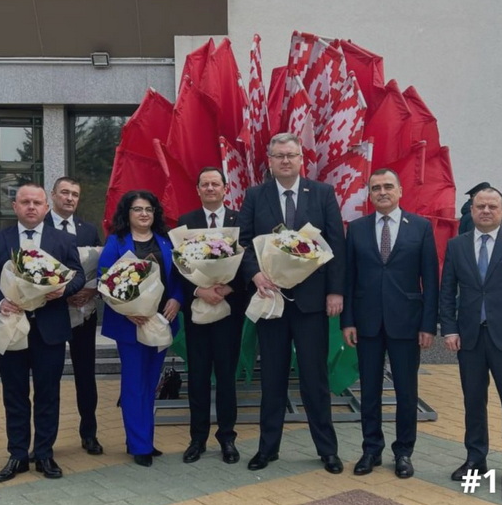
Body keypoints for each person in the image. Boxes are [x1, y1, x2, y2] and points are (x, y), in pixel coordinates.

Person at [237, 132, 346, 474]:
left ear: (302, 159)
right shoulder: (256, 196)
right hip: (271, 301)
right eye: (279, 155)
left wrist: (335, 291)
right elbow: (242, 243)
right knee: (272, 378)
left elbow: (336, 246)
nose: (286, 160)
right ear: (269, 161)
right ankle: (267, 449)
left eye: (292, 155)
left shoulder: (323, 194)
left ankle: (327, 450)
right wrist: (254, 276)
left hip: (312, 304)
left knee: (315, 379)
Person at [0, 183, 85, 483]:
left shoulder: (62, 239)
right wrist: (0, 301)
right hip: (11, 326)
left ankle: (45, 454)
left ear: (46, 207)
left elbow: (79, 274)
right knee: (14, 394)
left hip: (49, 328)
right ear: (15, 206)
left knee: (48, 393)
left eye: (37, 202)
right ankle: (18, 455)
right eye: (25, 202)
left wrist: (63, 289)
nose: (31, 207)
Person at [440, 187, 502, 487]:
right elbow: (447, 291)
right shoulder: (457, 246)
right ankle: (476, 460)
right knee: (473, 401)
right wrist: (449, 328)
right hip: (470, 339)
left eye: (492, 206)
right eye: (480, 206)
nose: (486, 210)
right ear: (471, 210)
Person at [341, 168, 439, 479]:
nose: (382, 192)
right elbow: (348, 279)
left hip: (407, 324)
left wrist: (428, 324)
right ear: (369, 195)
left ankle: (404, 452)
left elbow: (430, 281)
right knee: (369, 391)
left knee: (406, 392)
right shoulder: (356, 229)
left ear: (399, 191)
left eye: (387, 187)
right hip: (367, 323)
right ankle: (371, 449)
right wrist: (348, 321)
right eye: (375, 188)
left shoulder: (421, 227)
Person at [99, 190, 183, 467]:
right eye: (137, 209)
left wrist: (176, 299)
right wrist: (128, 309)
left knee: (150, 383)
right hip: (130, 323)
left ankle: (142, 437)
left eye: (148, 209)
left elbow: (180, 275)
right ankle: (139, 445)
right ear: (128, 213)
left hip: (160, 321)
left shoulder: (166, 241)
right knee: (134, 383)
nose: (144, 213)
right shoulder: (116, 242)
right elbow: (105, 280)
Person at [177, 167, 245, 465]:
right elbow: (177, 267)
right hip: (198, 314)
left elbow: (250, 263)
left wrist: (229, 288)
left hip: (229, 313)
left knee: (227, 377)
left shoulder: (239, 221)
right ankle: (197, 438)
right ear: (198, 189)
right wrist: (197, 291)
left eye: (215, 184)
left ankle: (227, 438)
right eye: (204, 184)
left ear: (225, 188)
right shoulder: (186, 222)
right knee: (198, 376)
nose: (210, 188)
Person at [45, 177, 104, 456]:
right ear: (53, 195)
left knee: (85, 374)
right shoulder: (38, 228)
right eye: (65, 193)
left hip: (84, 312)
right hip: (51, 313)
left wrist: (91, 292)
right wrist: (63, 292)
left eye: (75, 194)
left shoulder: (88, 230)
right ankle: (46, 440)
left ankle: (89, 433)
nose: (69, 198)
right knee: (49, 377)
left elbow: (100, 269)